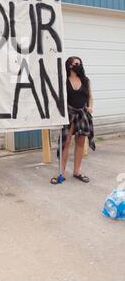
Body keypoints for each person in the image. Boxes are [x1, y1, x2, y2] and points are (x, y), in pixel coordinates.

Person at [50, 56, 96, 185]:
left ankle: (77, 171)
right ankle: (61, 173)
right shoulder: (64, 81)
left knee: (80, 143)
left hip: (82, 114)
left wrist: (90, 107)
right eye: (76, 63)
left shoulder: (86, 80)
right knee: (65, 143)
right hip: (69, 114)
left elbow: (91, 97)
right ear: (69, 65)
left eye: (80, 63)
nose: (78, 65)